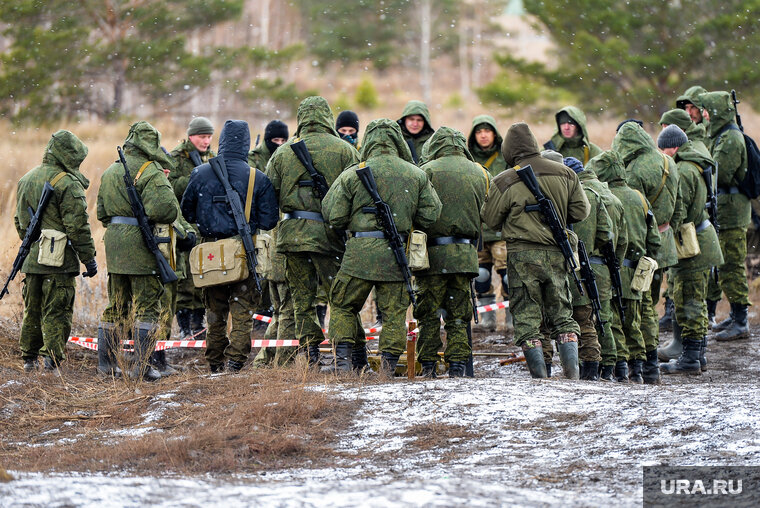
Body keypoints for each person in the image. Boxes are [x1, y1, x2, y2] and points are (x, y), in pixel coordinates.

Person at [321, 118, 442, 373]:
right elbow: (431, 215)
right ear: (398, 140)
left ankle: (343, 364)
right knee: (394, 314)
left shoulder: (354, 172)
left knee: (343, 305)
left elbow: (334, 215)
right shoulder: (416, 174)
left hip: (359, 254)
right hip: (395, 255)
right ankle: (387, 370)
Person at [481, 122, 590, 379]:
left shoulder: (504, 180)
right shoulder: (566, 174)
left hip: (522, 255)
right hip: (557, 252)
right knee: (562, 312)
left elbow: (491, 219)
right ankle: (572, 375)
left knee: (527, 315)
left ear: (509, 150)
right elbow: (580, 212)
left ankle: (540, 376)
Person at [267, 96, 360, 365]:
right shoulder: (344, 151)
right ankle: (347, 356)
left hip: (293, 235)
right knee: (340, 298)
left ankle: (310, 356)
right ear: (327, 118)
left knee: (301, 300)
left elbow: (269, 195)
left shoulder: (283, 152)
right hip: (330, 235)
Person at [181, 120, 279, 372]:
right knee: (243, 313)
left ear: (221, 141)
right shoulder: (258, 177)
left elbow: (187, 212)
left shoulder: (200, 172)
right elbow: (269, 220)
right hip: (244, 255)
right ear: (246, 144)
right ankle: (236, 362)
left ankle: (215, 363)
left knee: (214, 315)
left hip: (210, 254)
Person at [97, 121, 178, 381]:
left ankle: (106, 365)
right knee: (147, 306)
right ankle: (142, 367)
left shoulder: (111, 170)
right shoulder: (150, 170)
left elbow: (101, 213)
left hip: (115, 245)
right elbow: (166, 210)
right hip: (140, 244)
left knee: (116, 305)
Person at [14, 130, 97, 372]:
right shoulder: (68, 183)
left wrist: (34, 245)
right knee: (56, 311)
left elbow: (19, 222)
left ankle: (29, 359)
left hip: (31, 258)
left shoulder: (26, 179)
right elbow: (78, 227)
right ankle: (51, 361)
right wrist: (88, 258)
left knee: (32, 310)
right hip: (58, 262)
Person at [414, 126, 490, 377]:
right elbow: (486, 215)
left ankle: (427, 365)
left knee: (428, 313)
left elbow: (419, 213)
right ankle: (457, 365)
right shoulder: (480, 172)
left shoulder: (427, 171)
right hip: (466, 255)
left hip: (433, 256)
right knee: (459, 314)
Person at [612, 121, 684, 384]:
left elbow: (631, 213)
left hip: (639, 249)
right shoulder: (669, 162)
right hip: (663, 244)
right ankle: (651, 368)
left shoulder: (633, 169)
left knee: (637, 309)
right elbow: (679, 207)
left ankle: (639, 365)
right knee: (650, 304)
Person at [656, 125, 723, 375]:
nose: (663, 155)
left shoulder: (683, 169)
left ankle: (692, 358)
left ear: (673, 147)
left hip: (692, 244)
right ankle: (697, 355)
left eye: (664, 150)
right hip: (700, 239)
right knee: (694, 298)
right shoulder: (694, 162)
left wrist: (662, 226)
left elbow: (679, 210)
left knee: (690, 300)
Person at [593, 150, 661, 383]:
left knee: (613, 321)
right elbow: (655, 240)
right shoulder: (640, 198)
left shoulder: (604, 198)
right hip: (638, 270)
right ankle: (643, 369)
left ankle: (621, 370)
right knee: (637, 321)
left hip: (611, 269)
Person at [701, 91, 752, 341]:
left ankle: (741, 320)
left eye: (707, 110)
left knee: (731, 264)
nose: (704, 115)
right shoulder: (721, 135)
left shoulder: (730, 138)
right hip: (726, 209)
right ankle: (735, 314)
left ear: (718, 111)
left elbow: (719, 173)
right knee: (724, 265)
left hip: (732, 212)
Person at [559, 156, 614, 381]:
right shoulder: (594, 196)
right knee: (586, 320)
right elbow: (606, 234)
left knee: (556, 322)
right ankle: (591, 371)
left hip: (561, 268)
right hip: (586, 267)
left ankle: (554, 371)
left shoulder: (558, 195)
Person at [169, 117, 216, 340]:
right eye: (202, 137)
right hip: (185, 226)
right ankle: (184, 326)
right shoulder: (176, 157)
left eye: (209, 137)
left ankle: (199, 325)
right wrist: (196, 177)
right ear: (191, 136)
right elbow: (171, 188)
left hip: (206, 225)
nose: (206, 141)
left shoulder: (213, 157)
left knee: (204, 276)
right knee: (185, 279)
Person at [583, 155, 628, 381]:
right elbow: (622, 241)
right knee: (605, 319)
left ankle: (595, 365)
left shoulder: (582, 196)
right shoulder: (613, 199)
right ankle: (614, 367)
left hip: (588, 265)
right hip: (606, 267)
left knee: (586, 318)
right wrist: (614, 264)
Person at [467, 115, 508, 331]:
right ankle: (488, 323)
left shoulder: (506, 156)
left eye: (487, 130)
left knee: (509, 277)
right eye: (479, 131)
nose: (483, 135)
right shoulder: (468, 158)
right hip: (479, 228)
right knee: (481, 277)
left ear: (494, 134)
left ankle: (512, 323)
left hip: (502, 228)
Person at [396, 100, 435, 164]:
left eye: (419, 120)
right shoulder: (395, 139)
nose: (415, 124)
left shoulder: (433, 142)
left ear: (425, 122)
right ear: (404, 120)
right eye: (411, 119)